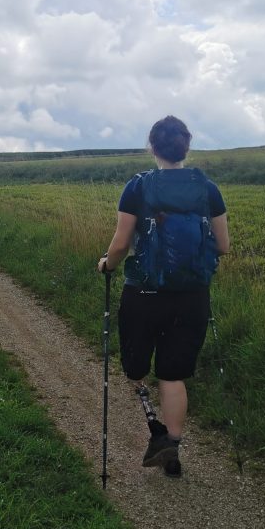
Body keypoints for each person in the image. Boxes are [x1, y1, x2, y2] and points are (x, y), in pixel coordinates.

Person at [96, 116, 230, 478]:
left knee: (135, 367)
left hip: (143, 293)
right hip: (192, 296)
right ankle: (171, 446)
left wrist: (107, 265)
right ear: (186, 146)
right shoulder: (208, 189)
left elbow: (121, 244)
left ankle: (154, 425)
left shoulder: (138, 187)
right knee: (173, 375)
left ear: (152, 147)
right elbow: (223, 245)